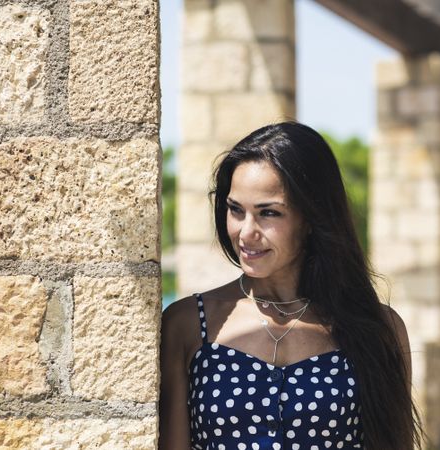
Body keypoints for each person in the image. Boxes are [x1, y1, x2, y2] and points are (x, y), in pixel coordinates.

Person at [159, 122, 421, 450]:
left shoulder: (378, 329)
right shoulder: (186, 324)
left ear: (311, 219)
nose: (246, 232)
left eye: (268, 213)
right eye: (236, 210)